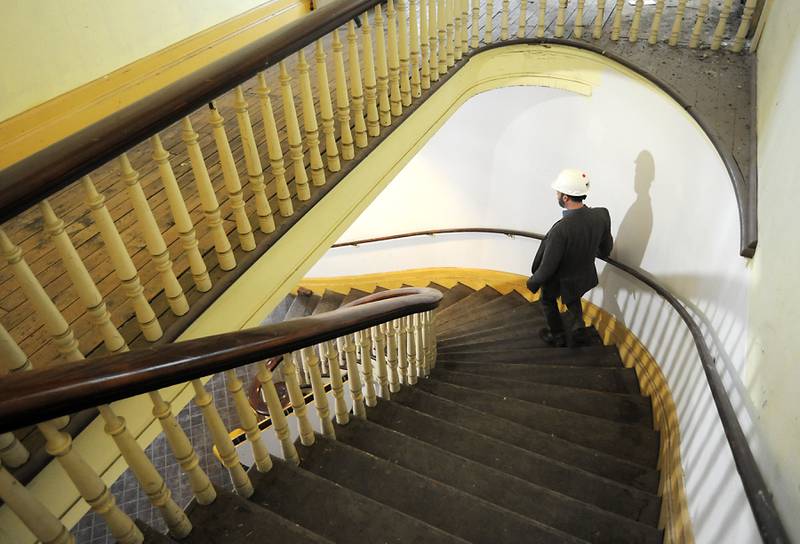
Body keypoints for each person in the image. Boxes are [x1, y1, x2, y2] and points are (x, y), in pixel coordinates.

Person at [527, 169, 613, 347]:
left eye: (558, 192)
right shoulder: (601, 215)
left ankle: (557, 336)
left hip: (560, 279)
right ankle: (579, 328)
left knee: (547, 300)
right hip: (583, 275)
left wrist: (533, 282)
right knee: (573, 297)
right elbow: (606, 247)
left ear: (565, 197)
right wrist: (601, 253)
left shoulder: (561, 230)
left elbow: (548, 268)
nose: (557, 195)